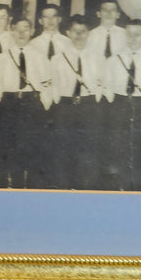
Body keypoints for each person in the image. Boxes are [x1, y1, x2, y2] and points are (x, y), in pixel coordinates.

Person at [103, 19, 141, 191]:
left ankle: (140, 190)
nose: (133, 38)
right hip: (119, 104)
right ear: (124, 35)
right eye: (129, 34)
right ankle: (119, 189)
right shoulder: (114, 60)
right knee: (118, 148)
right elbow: (106, 85)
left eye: (138, 34)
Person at [0, 18, 53, 189]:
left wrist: (43, 105)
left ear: (32, 31)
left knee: (31, 147)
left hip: (32, 105)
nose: (21, 33)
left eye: (25, 29)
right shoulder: (2, 58)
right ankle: (12, 186)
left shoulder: (40, 57)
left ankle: (32, 188)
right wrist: (1, 105)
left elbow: (47, 84)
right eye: (17, 29)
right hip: (8, 104)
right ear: (11, 31)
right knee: (9, 148)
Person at [50, 15, 104, 189]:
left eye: (83, 31)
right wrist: (60, 102)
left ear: (89, 33)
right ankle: (65, 187)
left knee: (89, 148)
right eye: (75, 31)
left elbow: (102, 82)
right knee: (64, 148)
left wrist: (94, 99)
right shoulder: (58, 58)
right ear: (68, 33)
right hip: (65, 107)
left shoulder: (98, 58)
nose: (79, 35)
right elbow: (53, 83)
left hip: (89, 106)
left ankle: (87, 188)